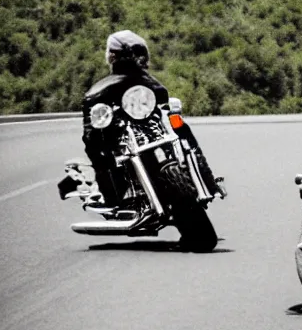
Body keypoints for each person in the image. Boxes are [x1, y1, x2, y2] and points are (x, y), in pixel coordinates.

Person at [81, 30, 224, 208]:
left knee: (95, 144)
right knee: (181, 129)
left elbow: (91, 131)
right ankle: (208, 180)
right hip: (135, 134)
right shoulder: (149, 82)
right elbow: (162, 96)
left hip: (145, 134)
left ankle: (111, 196)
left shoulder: (98, 91)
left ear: (112, 56)